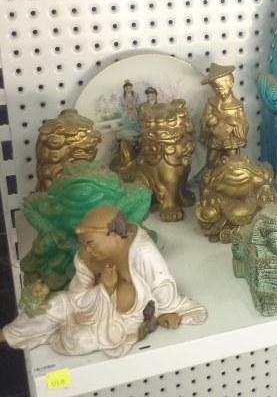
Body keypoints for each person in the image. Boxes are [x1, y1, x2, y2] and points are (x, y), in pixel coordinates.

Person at [0, 206, 206, 357]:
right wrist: (104, 289)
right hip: (88, 306)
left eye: (91, 244)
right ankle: (8, 334)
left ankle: (59, 332)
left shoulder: (142, 252)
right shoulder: (86, 257)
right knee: (50, 306)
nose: (87, 250)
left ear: (115, 235)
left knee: (79, 340)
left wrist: (166, 311)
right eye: (83, 244)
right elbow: (76, 297)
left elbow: (162, 286)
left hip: (123, 319)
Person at [200, 63, 248, 170]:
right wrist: (209, 122)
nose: (220, 91)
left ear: (230, 84)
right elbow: (204, 120)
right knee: (211, 161)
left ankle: (230, 178)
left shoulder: (237, 105)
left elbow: (244, 123)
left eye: (222, 87)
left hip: (230, 140)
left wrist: (236, 123)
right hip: (215, 138)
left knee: (232, 161)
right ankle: (211, 176)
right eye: (216, 89)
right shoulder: (211, 103)